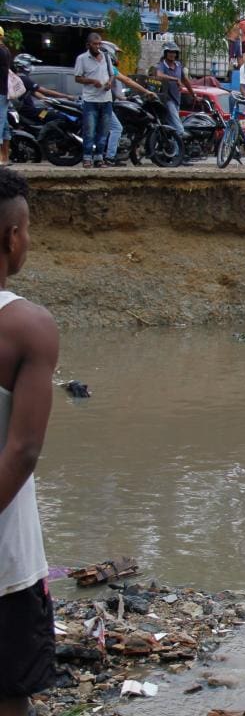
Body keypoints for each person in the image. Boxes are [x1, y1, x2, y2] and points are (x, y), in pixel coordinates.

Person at [0, 166, 61, 716]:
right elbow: (22, 451)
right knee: (10, 693)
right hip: (5, 560)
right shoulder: (26, 326)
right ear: (12, 237)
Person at [98, 42, 157, 167]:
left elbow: (115, 90)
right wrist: (146, 91)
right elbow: (127, 80)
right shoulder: (109, 68)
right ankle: (109, 157)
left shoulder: (99, 66)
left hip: (101, 102)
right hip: (102, 103)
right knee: (116, 128)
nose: (117, 57)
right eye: (116, 54)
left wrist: (124, 97)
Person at [73, 32, 116, 169]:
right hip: (90, 99)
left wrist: (109, 83)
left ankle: (99, 158)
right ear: (88, 45)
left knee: (104, 131)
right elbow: (77, 78)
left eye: (99, 44)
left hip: (106, 99)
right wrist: (92, 81)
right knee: (90, 130)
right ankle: (87, 157)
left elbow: (112, 74)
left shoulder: (106, 57)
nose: (98, 46)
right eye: (95, 44)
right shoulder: (82, 58)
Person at [0, 27, 11, 167]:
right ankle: (4, 158)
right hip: (4, 92)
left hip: (1, 92)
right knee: (4, 126)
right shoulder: (6, 50)